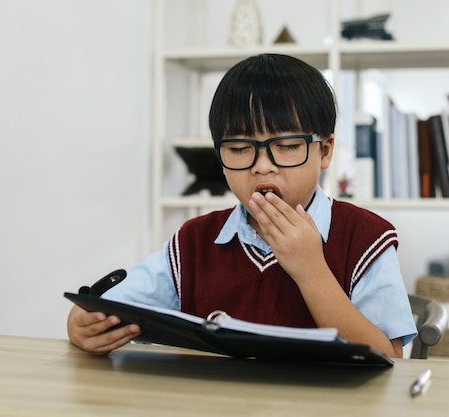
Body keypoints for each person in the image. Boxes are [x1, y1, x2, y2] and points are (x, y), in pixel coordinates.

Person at [67, 53, 417, 358]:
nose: (262, 165)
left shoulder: (367, 238)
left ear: (325, 151)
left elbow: (390, 359)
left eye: (286, 145)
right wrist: (83, 323)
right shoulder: (194, 242)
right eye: (238, 149)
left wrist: (311, 270)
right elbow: (112, 305)